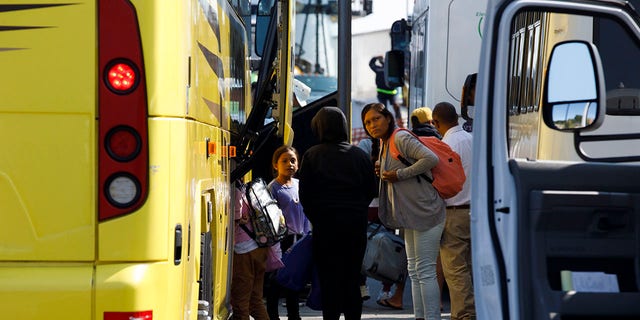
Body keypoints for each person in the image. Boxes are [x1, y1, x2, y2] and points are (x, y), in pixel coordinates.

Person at [361, 102, 445, 320]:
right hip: (410, 214)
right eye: (367, 122)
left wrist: (399, 175)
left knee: (424, 271)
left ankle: (432, 317)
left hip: (426, 211)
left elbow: (431, 159)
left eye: (376, 119)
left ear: (388, 118)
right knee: (415, 270)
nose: (372, 125)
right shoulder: (384, 142)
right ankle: (420, 316)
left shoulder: (399, 137)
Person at [298, 106, 377, 320]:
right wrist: (356, 210)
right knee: (352, 279)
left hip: (326, 229)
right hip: (355, 228)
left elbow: (305, 194)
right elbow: (371, 190)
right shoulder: (359, 156)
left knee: (329, 280)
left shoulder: (312, 155)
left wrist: (319, 217)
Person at [431, 102, 475, 320]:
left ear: (435, 123)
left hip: (453, 212)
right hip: (476, 213)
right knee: (471, 268)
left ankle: (464, 316)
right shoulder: (473, 139)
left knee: (456, 270)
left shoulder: (444, 146)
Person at [356, 137, 407, 310]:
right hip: (381, 203)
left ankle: (373, 288)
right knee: (378, 247)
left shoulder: (371, 144)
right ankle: (376, 289)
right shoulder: (380, 145)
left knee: (376, 247)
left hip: (376, 204)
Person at [265, 145, 312, 320]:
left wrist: (307, 234)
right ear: (275, 165)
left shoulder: (300, 185)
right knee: (276, 280)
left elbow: (307, 212)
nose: (289, 164)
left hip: (300, 240)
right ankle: (272, 315)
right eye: (284, 161)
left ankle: (294, 315)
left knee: (294, 279)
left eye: (293, 160)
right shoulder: (273, 188)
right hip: (281, 241)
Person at [410, 107, 446, 311]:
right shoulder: (440, 141)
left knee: (415, 269)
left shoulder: (408, 141)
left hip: (411, 207)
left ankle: (421, 316)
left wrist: (400, 175)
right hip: (434, 206)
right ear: (431, 122)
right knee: (426, 269)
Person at [230, 182, 270, 320]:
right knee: (255, 302)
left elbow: (235, 219)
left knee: (240, 305)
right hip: (260, 248)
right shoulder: (248, 188)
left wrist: (239, 220)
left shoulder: (235, 192)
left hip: (243, 252)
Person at [369, 56, 403, 127]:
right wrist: (376, 58)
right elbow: (371, 64)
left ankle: (399, 123)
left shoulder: (388, 69)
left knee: (395, 107)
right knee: (383, 110)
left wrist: (376, 58)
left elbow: (371, 64)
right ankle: (386, 124)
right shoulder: (379, 69)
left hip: (391, 94)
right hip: (383, 94)